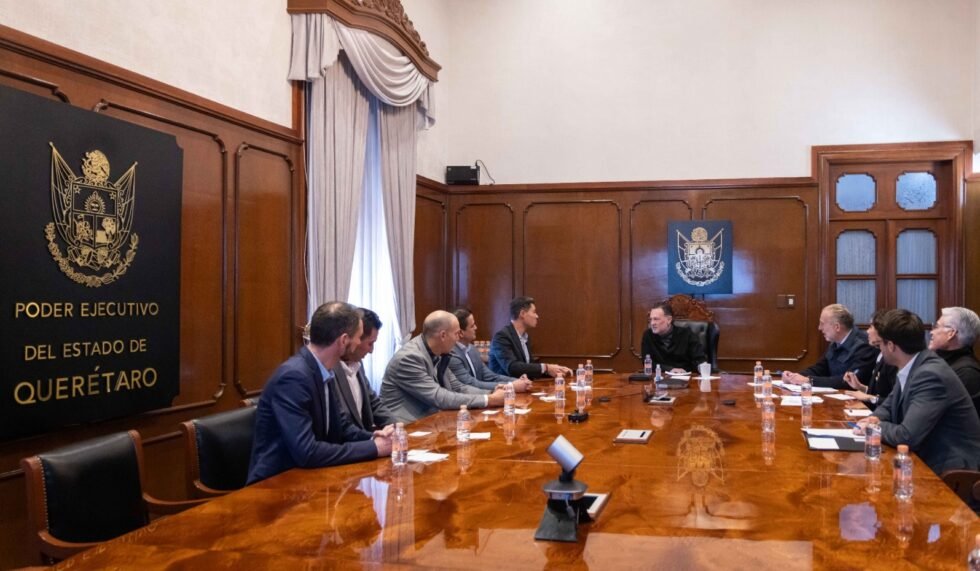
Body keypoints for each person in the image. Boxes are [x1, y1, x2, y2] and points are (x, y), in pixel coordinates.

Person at [247, 302, 392, 484]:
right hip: (275, 485)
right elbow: (307, 452)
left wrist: (374, 437)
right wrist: (374, 448)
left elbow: (342, 426)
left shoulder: (322, 370)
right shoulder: (293, 377)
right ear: (343, 340)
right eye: (358, 337)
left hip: (311, 479)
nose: (358, 342)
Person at [854, 309, 980, 475]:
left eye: (880, 345)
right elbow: (889, 405)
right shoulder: (913, 365)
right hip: (924, 459)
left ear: (891, 346)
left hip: (952, 472)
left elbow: (907, 436)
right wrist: (875, 417)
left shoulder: (930, 374)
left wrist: (873, 426)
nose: (880, 350)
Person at [381, 310, 506, 424]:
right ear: (443, 335)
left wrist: (492, 393)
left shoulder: (439, 353)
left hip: (432, 422)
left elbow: (458, 387)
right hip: (406, 428)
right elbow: (439, 397)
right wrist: (489, 399)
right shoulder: (409, 358)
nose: (458, 338)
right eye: (456, 333)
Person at [331, 308, 396, 431]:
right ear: (355, 338)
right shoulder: (328, 370)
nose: (371, 351)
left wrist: (396, 426)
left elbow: (373, 403)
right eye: (370, 343)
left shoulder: (358, 364)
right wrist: (372, 439)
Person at [783, 304, 877, 389]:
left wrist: (809, 380)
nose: (819, 328)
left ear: (837, 327)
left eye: (822, 323)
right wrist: (794, 376)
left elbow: (850, 381)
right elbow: (820, 368)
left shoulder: (865, 345)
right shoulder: (835, 342)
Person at [449, 307, 533, 392]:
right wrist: (511, 386)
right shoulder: (452, 354)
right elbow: (471, 383)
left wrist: (518, 381)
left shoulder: (472, 349)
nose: (476, 327)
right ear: (461, 333)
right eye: (472, 326)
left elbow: (490, 376)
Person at [488, 296, 571, 379]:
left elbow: (529, 369)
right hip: (505, 385)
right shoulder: (502, 337)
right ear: (522, 314)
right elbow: (512, 368)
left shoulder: (525, 337)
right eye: (534, 312)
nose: (537, 316)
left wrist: (556, 371)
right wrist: (546, 367)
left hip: (524, 384)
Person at [928, 306, 980, 417]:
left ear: (951, 333)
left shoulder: (967, 373)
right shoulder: (939, 362)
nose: (931, 332)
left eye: (936, 327)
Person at [842, 310, 897, 410]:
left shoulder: (892, 360)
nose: (867, 331)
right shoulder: (880, 355)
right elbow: (879, 392)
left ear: (881, 331)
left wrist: (870, 398)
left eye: (871, 327)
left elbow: (895, 401)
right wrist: (860, 387)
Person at [640, 302, 706, 373]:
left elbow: (699, 360)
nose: (652, 323)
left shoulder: (687, 334)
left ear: (669, 319)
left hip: (685, 376)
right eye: (651, 319)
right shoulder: (648, 335)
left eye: (656, 319)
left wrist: (702, 369)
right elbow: (647, 363)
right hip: (659, 376)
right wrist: (669, 369)